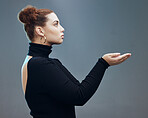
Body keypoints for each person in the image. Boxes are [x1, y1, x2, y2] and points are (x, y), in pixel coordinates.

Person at [18, 5, 131, 118]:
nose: (62, 29)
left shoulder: (35, 61)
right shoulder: (40, 65)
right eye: (55, 24)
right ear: (40, 31)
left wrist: (104, 63)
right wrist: (103, 63)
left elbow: (79, 88)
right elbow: (79, 96)